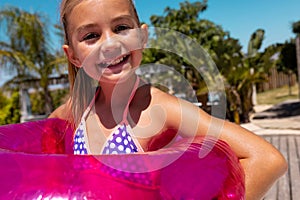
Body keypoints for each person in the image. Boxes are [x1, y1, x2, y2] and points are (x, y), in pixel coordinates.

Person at [49, 0, 287, 199]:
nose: (111, 43)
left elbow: (267, 159)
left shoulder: (160, 108)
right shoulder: (75, 110)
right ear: (73, 56)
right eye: (91, 35)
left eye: (121, 28)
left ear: (142, 36)